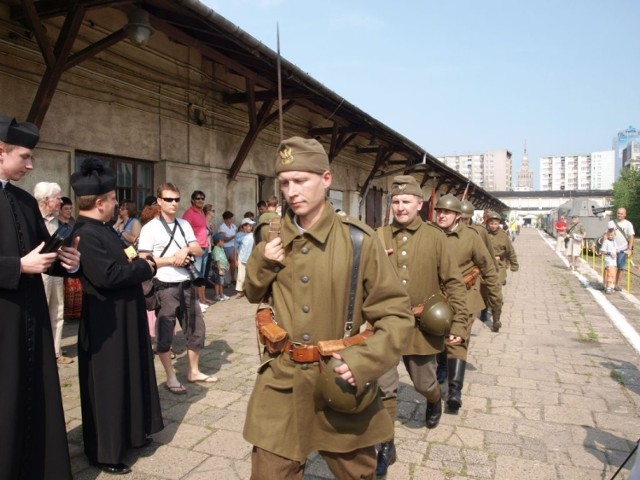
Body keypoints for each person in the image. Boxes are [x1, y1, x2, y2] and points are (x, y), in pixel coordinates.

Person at [244, 136, 414, 480]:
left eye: (301, 181)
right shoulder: (272, 236)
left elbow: (396, 315)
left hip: (340, 381)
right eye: (285, 183)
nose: (292, 191)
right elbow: (252, 292)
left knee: (357, 474)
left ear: (326, 179)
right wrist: (263, 261)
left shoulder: (358, 241)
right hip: (282, 380)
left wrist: (364, 361)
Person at [70, 158, 164, 475]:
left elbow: (126, 258)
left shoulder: (104, 229)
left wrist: (138, 260)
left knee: (129, 376)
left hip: (124, 317)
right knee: (109, 386)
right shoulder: (85, 233)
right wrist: (146, 266)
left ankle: (133, 433)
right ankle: (105, 453)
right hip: (105, 325)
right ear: (99, 203)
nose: (116, 205)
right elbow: (109, 276)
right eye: (112, 200)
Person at [0, 116, 80, 479]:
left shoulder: (21, 198)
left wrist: (66, 262)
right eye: (25, 156)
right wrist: (17, 266)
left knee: (31, 398)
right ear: (0, 152)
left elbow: (40, 259)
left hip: (30, 316)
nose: (31, 165)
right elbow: (24, 262)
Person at [374, 177, 469, 477]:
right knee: (383, 388)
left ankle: (434, 399)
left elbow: (454, 282)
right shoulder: (378, 236)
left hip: (421, 326)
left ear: (419, 204)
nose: (401, 207)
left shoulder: (434, 237)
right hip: (385, 326)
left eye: (407, 202)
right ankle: (386, 446)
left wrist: (460, 324)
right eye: (396, 202)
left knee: (423, 383)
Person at [138, 183, 218, 395]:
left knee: (196, 328)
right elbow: (144, 260)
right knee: (165, 332)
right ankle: (170, 377)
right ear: (159, 201)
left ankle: (193, 371)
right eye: (169, 199)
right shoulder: (150, 228)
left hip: (187, 283)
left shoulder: (184, 224)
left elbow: (198, 249)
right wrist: (172, 259)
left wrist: (184, 249)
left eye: (176, 199)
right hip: (164, 285)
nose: (173, 203)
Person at [434, 195, 503, 416]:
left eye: (447, 212)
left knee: (458, 338)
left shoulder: (471, 237)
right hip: (436, 297)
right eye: (439, 211)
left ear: (458, 216)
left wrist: (495, 299)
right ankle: (442, 366)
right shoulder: (430, 235)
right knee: (438, 336)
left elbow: (489, 268)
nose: (441, 215)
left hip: (465, 295)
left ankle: (454, 391)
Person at [34, 181, 74, 365]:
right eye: (56, 198)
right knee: (39, 309)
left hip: (56, 272)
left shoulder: (59, 222)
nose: (60, 201)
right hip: (38, 272)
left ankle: (56, 351)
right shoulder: (32, 218)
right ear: (45, 200)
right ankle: (38, 350)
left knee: (58, 310)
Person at [183, 190, 212, 309]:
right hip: (196, 248)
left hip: (204, 247)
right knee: (195, 276)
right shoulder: (189, 213)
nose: (200, 200)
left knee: (201, 276)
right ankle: (194, 302)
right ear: (192, 200)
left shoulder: (201, 213)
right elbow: (184, 231)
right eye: (198, 198)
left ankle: (201, 299)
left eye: (202, 198)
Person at [60, 196, 83, 321]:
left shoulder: (74, 222)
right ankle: (67, 315)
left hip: (74, 257)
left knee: (76, 288)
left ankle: (74, 315)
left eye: (70, 208)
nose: (69, 211)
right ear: (60, 210)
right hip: (62, 258)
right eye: (66, 209)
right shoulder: (57, 223)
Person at [607, 207, 635, 291]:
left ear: (625, 215)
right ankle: (610, 284)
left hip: (623, 249)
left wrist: (629, 249)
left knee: (620, 268)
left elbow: (631, 237)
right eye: (618, 213)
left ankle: (617, 284)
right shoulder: (611, 223)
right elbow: (607, 235)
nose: (619, 215)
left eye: (621, 213)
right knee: (611, 267)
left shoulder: (628, 224)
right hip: (612, 249)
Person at [235, 217, 255, 298]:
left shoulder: (253, 235)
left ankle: (249, 290)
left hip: (251, 258)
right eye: (249, 226)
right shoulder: (239, 235)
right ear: (244, 227)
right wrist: (235, 259)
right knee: (241, 276)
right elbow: (235, 248)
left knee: (250, 275)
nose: (250, 227)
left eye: (251, 226)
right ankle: (239, 291)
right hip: (242, 258)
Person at [218, 210, 238, 286]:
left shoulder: (233, 226)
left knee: (233, 262)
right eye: (229, 219)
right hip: (226, 247)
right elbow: (224, 239)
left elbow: (236, 233)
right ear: (225, 219)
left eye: (231, 218)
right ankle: (224, 281)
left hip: (233, 246)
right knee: (225, 264)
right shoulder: (222, 227)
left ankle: (233, 278)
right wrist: (233, 236)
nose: (231, 220)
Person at [211, 233, 230, 301]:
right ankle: (217, 295)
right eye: (222, 241)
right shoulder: (216, 250)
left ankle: (221, 294)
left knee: (221, 282)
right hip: (218, 268)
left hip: (222, 268)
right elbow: (217, 260)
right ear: (218, 241)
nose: (223, 242)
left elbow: (224, 257)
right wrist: (219, 269)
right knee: (218, 282)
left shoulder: (221, 249)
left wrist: (227, 264)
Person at [600, 228, 618, 294]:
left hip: (614, 261)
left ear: (614, 235)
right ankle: (608, 287)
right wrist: (610, 253)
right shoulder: (606, 242)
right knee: (610, 273)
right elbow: (602, 251)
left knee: (613, 273)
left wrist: (622, 251)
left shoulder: (614, 242)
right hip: (608, 260)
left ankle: (611, 285)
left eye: (612, 235)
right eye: (609, 235)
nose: (610, 236)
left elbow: (616, 250)